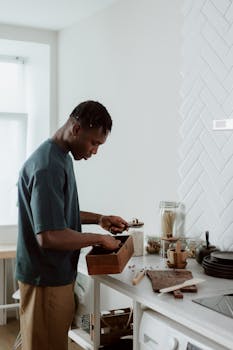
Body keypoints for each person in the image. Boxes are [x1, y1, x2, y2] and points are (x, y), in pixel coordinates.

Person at [15, 100, 128, 350]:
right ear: (76, 130)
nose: (95, 151)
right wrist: (98, 239)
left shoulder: (60, 156)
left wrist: (100, 219)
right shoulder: (47, 167)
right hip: (45, 279)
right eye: (94, 143)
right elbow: (49, 235)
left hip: (55, 276)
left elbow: (56, 213)